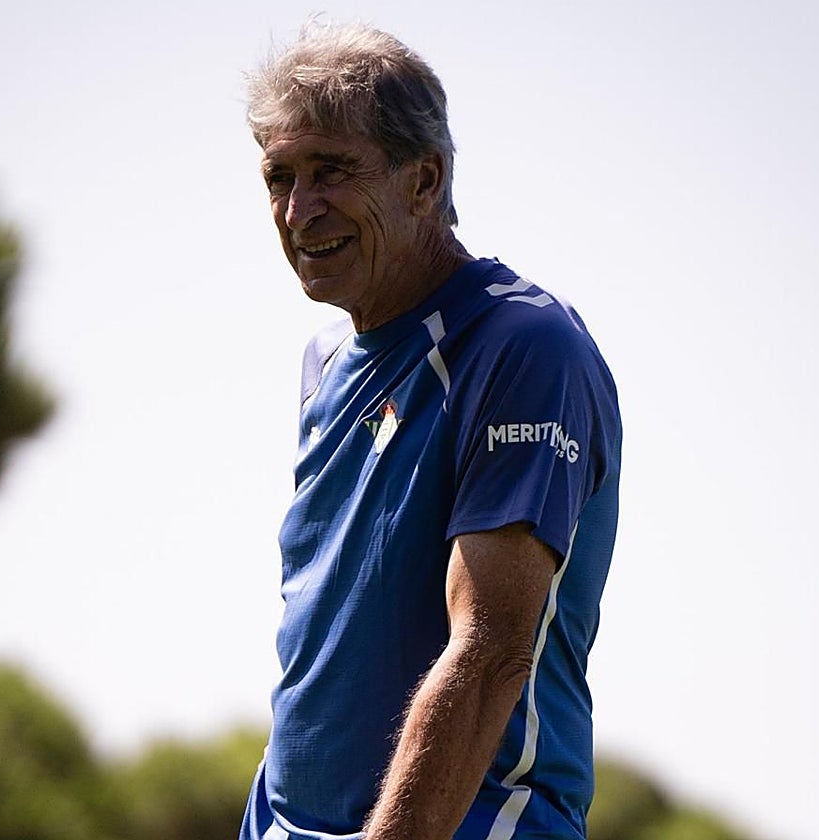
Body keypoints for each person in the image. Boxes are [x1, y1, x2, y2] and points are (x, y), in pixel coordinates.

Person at [239, 22, 622, 840]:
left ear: (424, 180)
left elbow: (488, 655)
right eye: (281, 177)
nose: (300, 211)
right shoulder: (326, 359)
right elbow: (325, 656)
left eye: (332, 171)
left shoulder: (524, 345)